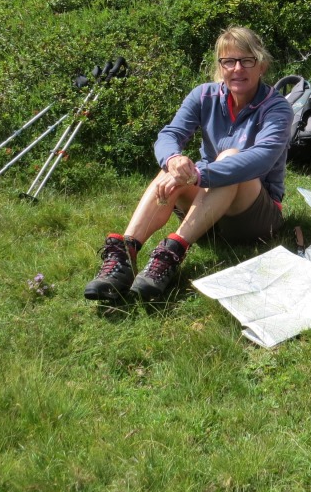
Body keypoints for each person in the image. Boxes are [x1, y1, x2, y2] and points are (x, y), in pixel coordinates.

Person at [84, 26, 294, 303]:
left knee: (229, 157)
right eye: (228, 61)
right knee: (170, 168)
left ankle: (171, 253)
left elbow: (262, 158)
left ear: (262, 66)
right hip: (208, 208)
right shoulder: (203, 95)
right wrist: (174, 160)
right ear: (220, 67)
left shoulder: (277, 108)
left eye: (247, 61)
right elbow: (169, 135)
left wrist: (198, 174)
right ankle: (125, 253)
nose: (237, 69)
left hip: (254, 217)